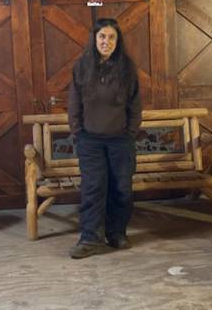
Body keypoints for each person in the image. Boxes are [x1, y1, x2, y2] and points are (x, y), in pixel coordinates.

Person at [68, 17, 142, 259]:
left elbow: (135, 106)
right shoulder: (82, 66)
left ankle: (116, 233)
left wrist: (130, 134)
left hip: (120, 140)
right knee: (93, 189)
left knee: (121, 189)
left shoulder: (127, 68)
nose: (106, 41)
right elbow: (74, 104)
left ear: (117, 41)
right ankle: (90, 238)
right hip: (90, 141)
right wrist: (78, 132)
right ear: (94, 39)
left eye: (111, 37)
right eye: (102, 36)